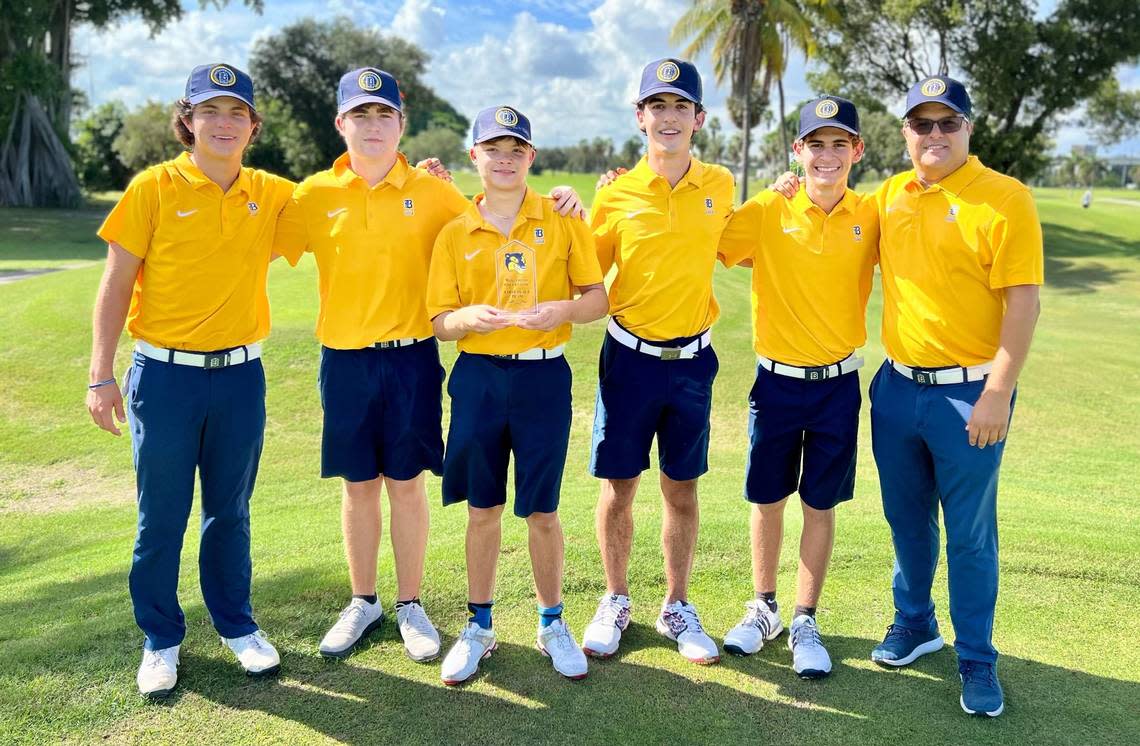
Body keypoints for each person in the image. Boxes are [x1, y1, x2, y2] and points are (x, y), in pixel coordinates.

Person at [273, 70, 586, 662]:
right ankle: (363, 600)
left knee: (408, 483)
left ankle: (411, 605)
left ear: (400, 124)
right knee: (358, 485)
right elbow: (253, 242)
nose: (372, 127)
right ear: (340, 124)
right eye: (360, 116)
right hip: (344, 360)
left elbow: (498, 206)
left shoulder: (436, 192)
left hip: (414, 357)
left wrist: (566, 197)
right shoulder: (311, 195)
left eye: (383, 115)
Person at [87, 63, 292, 698]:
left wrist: (425, 179)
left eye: (237, 113)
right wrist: (100, 376)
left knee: (229, 512)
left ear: (253, 126)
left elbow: (347, 199)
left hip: (239, 376)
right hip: (164, 378)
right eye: (210, 111)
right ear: (189, 121)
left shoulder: (271, 193)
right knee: (162, 517)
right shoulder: (152, 188)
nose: (223, 123)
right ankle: (161, 639)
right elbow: (117, 282)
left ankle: (237, 626)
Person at [866, 77, 1041, 717]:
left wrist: (999, 388)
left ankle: (976, 657)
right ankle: (915, 623)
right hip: (895, 387)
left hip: (971, 392)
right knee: (907, 520)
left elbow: (1023, 299)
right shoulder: (889, 197)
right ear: (906, 132)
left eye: (948, 123)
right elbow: (824, 214)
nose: (934, 135)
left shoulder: (1004, 198)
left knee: (969, 535)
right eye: (922, 124)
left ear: (969, 128)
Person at [426, 106, 608, 684]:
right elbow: (437, 320)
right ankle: (479, 625)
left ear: (531, 157)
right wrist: (464, 319)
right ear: (474, 157)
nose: (505, 160)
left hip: (543, 377)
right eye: (493, 150)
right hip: (479, 377)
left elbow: (597, 299)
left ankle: (552, 622)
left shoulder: (561, 219)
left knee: (543, 510)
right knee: (483, 509)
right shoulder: (454, 232)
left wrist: (563, 310)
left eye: (516, 150)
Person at [717, 96, 879, 679]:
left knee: (819, 503)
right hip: (776, 382)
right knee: (767, 498)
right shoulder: (767, 208)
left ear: (857, 151)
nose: (827, 155)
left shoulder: (873, 213)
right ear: (797, 150)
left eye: (840, 144)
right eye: (817, 143)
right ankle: (763, 610)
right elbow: (711, 240)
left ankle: (805, 617)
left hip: (838, 385)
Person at [581, 58, 735, 665]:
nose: (668, 118)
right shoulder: (616, 195)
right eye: (657, 107)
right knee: (619, 487)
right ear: (640, 117)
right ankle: (616, 598)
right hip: (628, 358)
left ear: (698, 119)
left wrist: (789, 189)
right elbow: (582, 270)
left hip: (692, 362)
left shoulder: (720, 186)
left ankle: (676, 605)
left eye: (680, 108)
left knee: (682, 489)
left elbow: (749, 240)